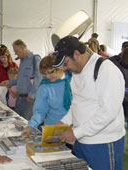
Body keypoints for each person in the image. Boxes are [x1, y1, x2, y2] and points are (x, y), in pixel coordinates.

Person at [52, 36, 125, 170]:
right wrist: (64, 121)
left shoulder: (106, 70)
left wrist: (76, 133)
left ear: (76, 54)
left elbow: (108, 112)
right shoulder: (77, 70)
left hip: (103, 142)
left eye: (66, 63)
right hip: (82, 141)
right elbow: (77, 103)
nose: (65, 68)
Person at [21, 55, 72, 136]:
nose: (48, 76)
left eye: (50, 72)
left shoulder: (73, 79)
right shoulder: (45, 86)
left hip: (75, 128)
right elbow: (40, 111)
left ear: (59, 68)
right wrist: (30, 126)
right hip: (54, 128)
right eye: (45, 74)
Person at [1, 39, 42, 120]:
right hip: (19, 99)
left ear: (22, 48)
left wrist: (32, 95)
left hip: (29, 100)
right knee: (17, 122)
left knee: (26, 124)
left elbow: (38, 79)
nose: (15, 53)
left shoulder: (35, 59)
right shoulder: (22, 61)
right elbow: (20, 79)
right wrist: (10, 82)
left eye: (16, 51)